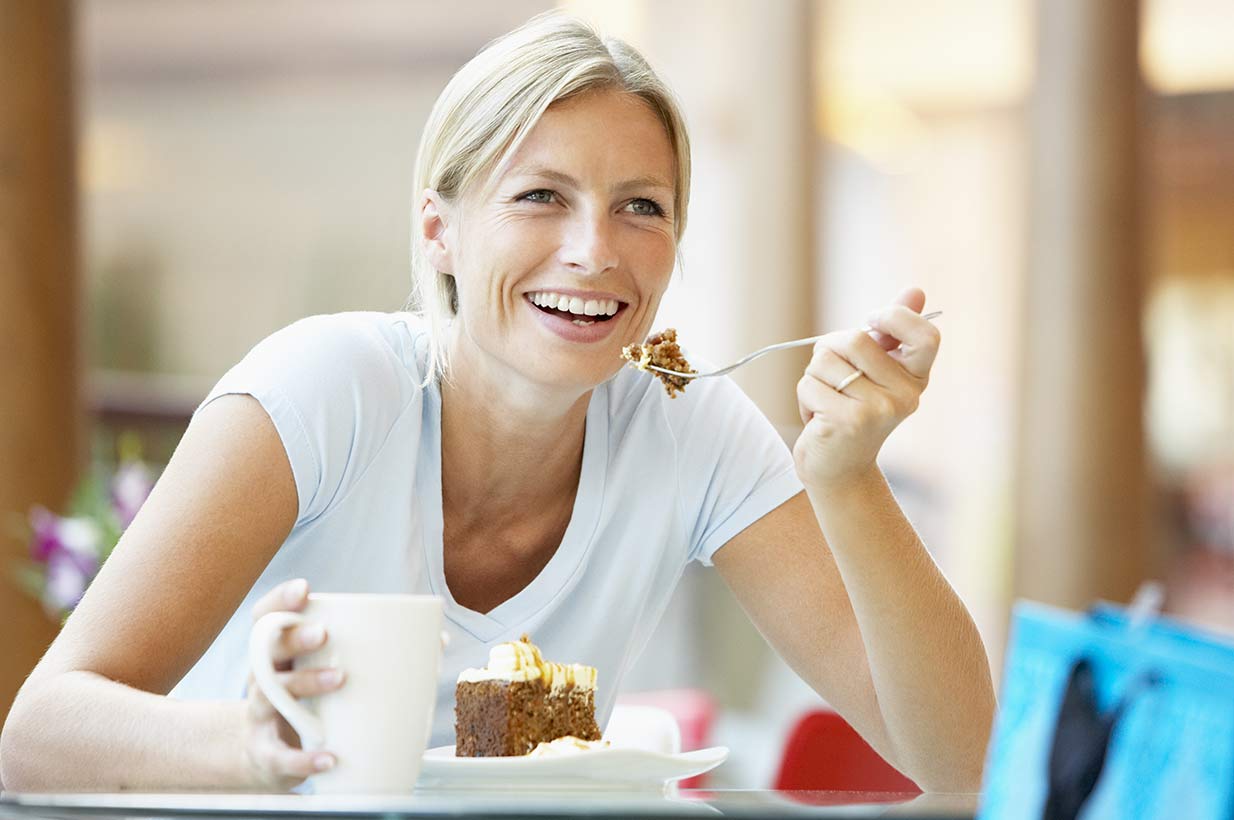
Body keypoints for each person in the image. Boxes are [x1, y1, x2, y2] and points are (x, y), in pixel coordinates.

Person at [0, 13, 994, 794]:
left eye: (640, 206)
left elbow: (958, 759)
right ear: (439, 229)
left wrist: (849, 479)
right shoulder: (326, 389)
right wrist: (262, 741)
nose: (595, 249)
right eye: (540, 196)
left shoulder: (690, 427)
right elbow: (40, 733)